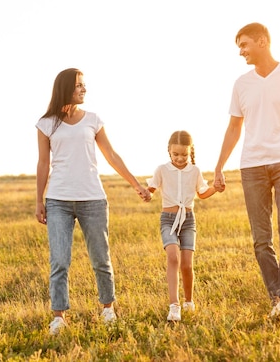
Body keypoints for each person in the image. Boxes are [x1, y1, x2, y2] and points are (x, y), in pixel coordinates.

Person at [213, 23, 280, 321]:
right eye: (239, 46)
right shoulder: (241, 84)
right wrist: (219, 166)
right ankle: (279, 299)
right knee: (262, 240)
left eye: (245, 44)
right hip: (251, 167)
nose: (241, 51)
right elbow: (234, 127)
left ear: (262, 41)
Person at [35, 68, 151, 335]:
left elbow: (111, 154)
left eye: (84, 84)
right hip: (58, 201)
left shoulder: (94, 120)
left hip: (93, 199)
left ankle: (108, 309)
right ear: (65, 88)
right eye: (78, 85)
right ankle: (59, 317)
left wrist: (136, 184)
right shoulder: (46, 123)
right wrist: (39, 200)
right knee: (59, 261)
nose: (83, 89)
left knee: (101, 258)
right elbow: (43, 164)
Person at [146, 130, 217, 322]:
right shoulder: (162, 169)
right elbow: (151, 189)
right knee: (172, 257)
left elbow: (202, 193)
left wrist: (215, 188)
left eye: (184, 155)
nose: (179, 158)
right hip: (168, 220)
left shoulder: (195, 171)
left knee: (186, 264)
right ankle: (174, 306)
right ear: (169, 151)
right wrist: (147, 194)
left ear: (190, 152)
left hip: (188, 220)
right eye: (175, 154)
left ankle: (189, 301)